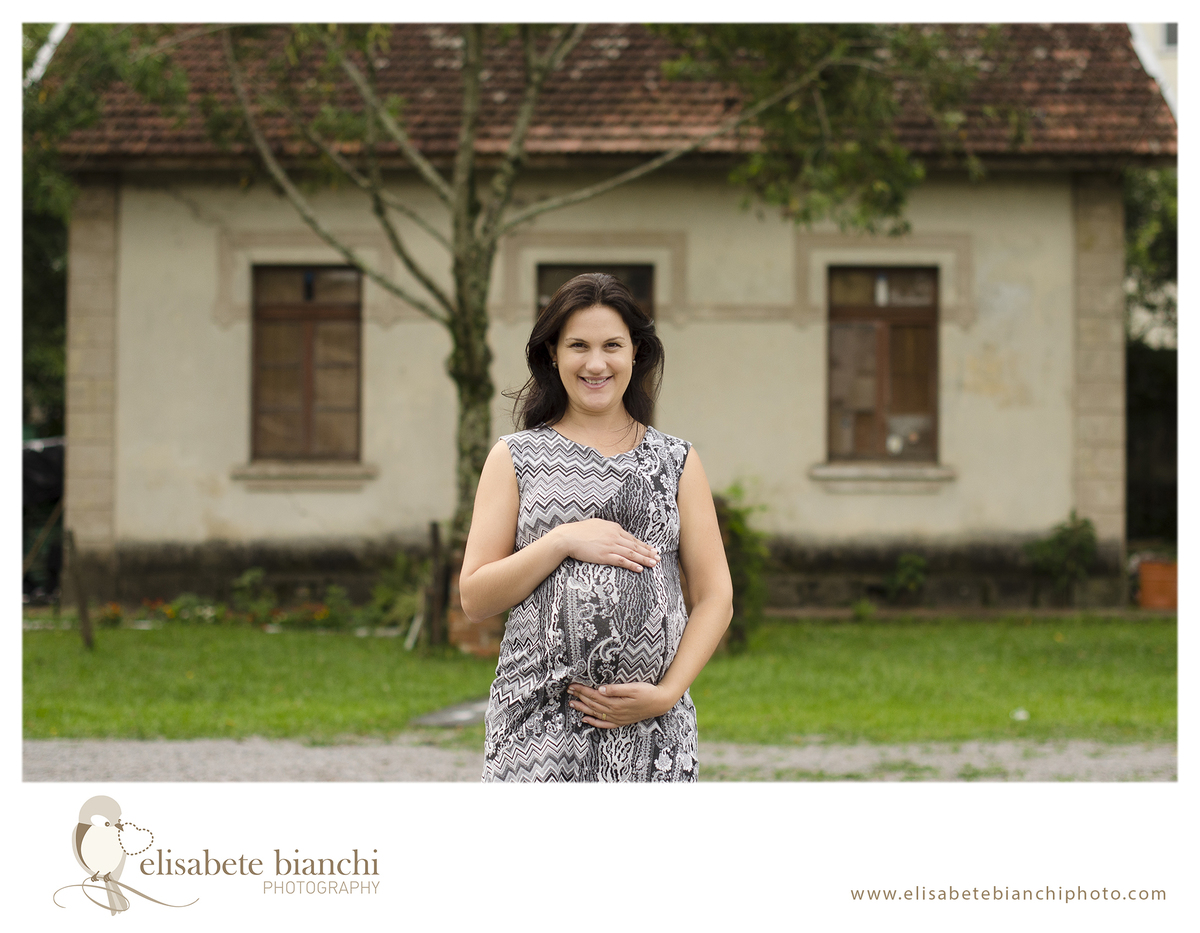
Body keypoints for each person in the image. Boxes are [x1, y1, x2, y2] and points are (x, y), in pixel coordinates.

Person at [460, 272, 733, 782]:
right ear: (552, 356)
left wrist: (666, 694)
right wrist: (562, 540)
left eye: (612, 345)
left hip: (654, 732)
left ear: (636, 354)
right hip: (537, 730)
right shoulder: (514, 458)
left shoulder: (676, 460)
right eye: (578, 346)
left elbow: (716, 595)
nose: (595, 363)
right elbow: (475, 599)